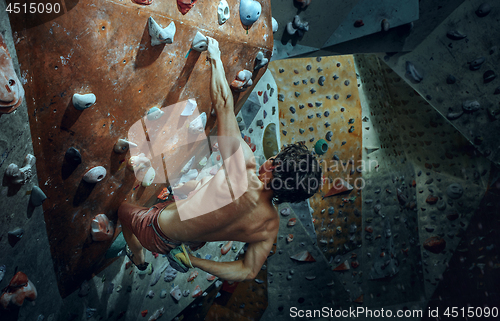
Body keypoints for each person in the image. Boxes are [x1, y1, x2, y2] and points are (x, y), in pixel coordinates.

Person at [117, 37, 322, 280]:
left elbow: (224, 104)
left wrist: (214, 55)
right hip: (191, 241)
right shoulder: (269, 227)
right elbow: (248, 271)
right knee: (201, 185)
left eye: (275, 157)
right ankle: (172, 229)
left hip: (157, 230)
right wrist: (193, 262)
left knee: (121, 211)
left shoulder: (243, 166)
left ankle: (140, 261)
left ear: (273, 165)